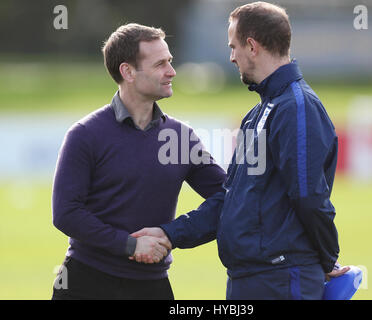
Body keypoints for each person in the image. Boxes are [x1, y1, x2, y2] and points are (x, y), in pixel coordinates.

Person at [133, 2, 349, 300]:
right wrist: (172, 234)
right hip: (250, 278)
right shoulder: (258, 113)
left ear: (252, 46)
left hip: (282, 279)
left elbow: (309, 195)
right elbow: (230, 196)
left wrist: (327, 258)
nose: (231, 57)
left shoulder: (298, 108)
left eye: (233, 46)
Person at [51, 23, 226, 300]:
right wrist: (129, 245)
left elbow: (229, 197)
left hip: (152, 286)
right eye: (160, 64)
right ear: (128, 71)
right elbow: (66, 213)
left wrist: (172, 233)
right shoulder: (85, 134)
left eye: (170, 61)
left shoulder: (181, 137)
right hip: (84, 284)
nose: (172, 71)